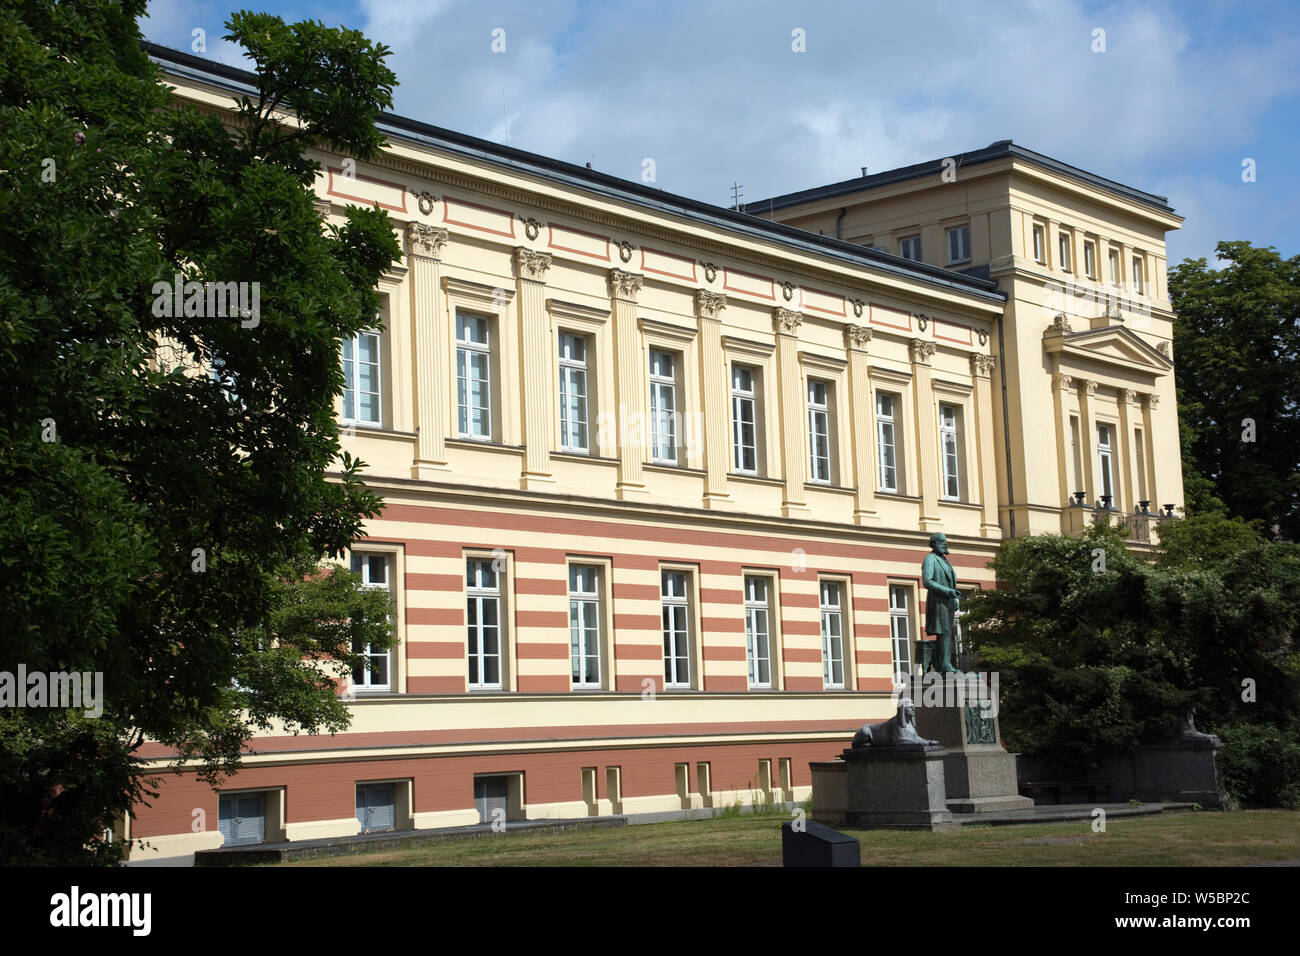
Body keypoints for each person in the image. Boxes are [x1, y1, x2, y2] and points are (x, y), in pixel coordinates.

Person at [922, 532, 961, 673]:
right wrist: (947, 591)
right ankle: (945, 664)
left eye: (945, 541)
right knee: (944, 632)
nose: (945, 543)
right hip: (938, 602)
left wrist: (954, 597)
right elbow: (927, 581)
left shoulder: (944, 560)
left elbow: (950, 581)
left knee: (947, 633)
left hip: (947, 602)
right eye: (941, 541)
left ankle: (942, 663)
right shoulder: (930, 559)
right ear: (934, 543)